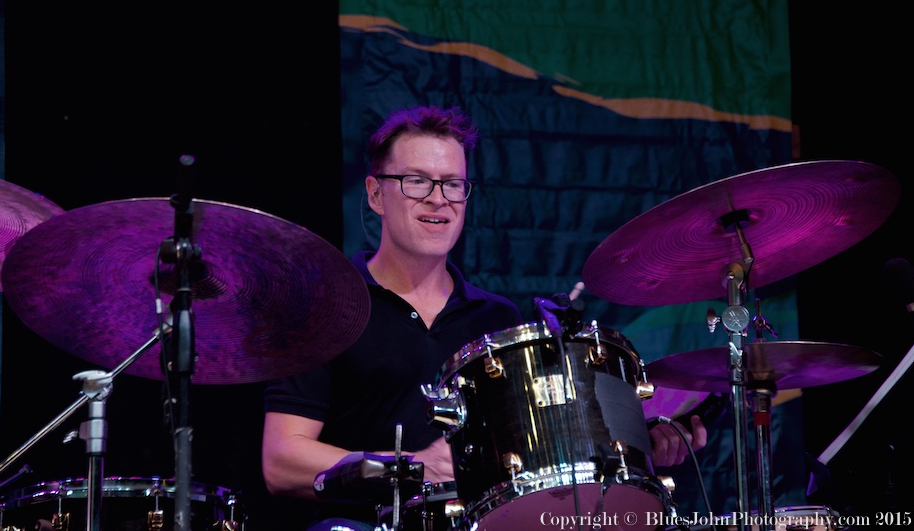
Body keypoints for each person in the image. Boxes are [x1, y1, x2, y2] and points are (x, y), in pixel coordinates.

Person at [262, 104, 706, 530]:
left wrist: (642, 444)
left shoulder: (495, 320)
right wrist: (413, 467)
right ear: (376, 194)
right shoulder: (325, 307)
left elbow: (532, 465)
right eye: (417, 181)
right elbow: (281, 460)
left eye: (452, 184)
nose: (438, 200)